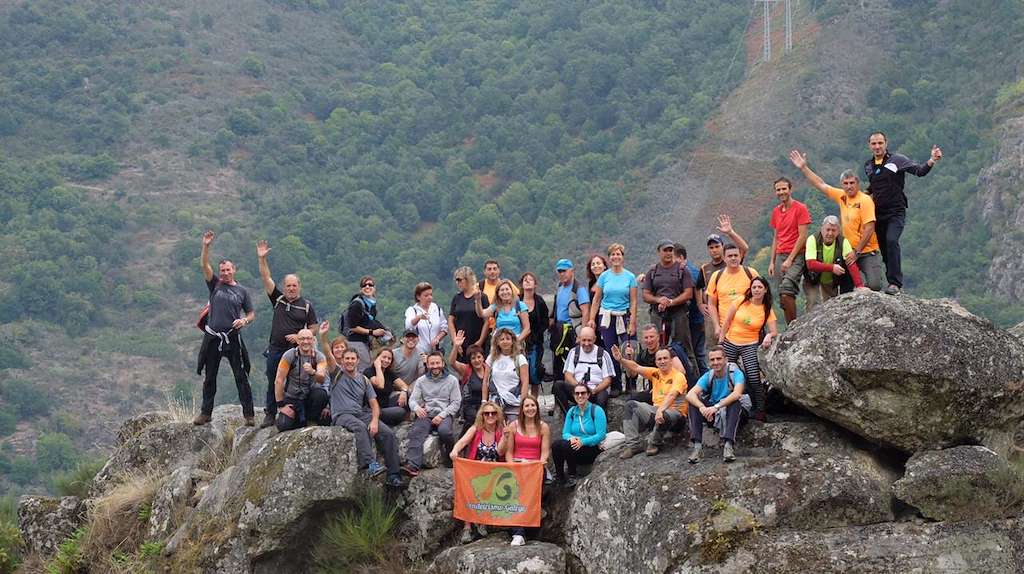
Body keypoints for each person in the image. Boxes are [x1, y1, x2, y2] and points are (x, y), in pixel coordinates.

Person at [788, 150, 883, 291]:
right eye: (846, 183)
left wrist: (857, 252)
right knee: (846, 289)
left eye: (852, 183)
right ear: (842, 184)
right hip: (847, 250)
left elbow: (870, 228)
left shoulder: (865, 200)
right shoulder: (842, 196)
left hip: (867, 251)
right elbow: (821, 185)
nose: (849, 186)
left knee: (875, 285)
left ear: (857, 183)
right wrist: (804, 168)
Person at [862, 132, 942, 294]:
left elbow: (919, 171)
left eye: (880, 143)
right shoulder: (868, 166)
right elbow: (874, 187)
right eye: (874, 144)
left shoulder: (896, 160)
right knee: (884, 248)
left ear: (886, 143)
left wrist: (932, 160)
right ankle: (889, 281)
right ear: (869, 145)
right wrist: (860, 197)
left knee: (892, 241)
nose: (877, 146)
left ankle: (895, 283)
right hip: (878, 213)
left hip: (895, 212)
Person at [256, 240, 319, 428]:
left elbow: (314, 327)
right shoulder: (278, 299)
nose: (291, 288)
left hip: (296, 352)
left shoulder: (306, 306)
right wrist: (262, 259)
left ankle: (297, 414)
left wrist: (300, 336)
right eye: (288, 285)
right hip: (276, 349)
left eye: (294, 285)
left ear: (299, 286)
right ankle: (270, 413)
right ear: (284, 287)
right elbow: (266, 278)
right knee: (273, 380)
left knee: (297, 382)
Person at [195, 230, 256, 426]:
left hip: (233, 337)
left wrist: (244, 321)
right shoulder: (215, 285)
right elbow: (204, 265)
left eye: (228, 270)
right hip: (213, 338)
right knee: (209, 376)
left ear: (234, 270)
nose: (225, 273)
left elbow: (251, 313)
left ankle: (249, 415)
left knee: (241, 377)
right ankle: (206, 413)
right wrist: (206, 246)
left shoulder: (242, 291)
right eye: (222, 270)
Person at [330, 348, 402, 487]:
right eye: (347, 359)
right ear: (342, 360)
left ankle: (394, 475)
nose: (350, 361)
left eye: (352, 359)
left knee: (388, 434)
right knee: (360, 427)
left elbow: (374, 404)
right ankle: (370, 464)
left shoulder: (364, 379)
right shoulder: (336, 373)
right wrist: (323, 337)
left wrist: (375, 421)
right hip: (342, 414)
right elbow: (328, 355)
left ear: (357, 361)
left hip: (362, 413)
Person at [612, 344, 688, 459]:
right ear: (656, 362)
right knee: (631, 405)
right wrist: (621, 360)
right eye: (659, 359)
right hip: (657, 410)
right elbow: (636, 367)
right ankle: (633, 445)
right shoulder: (655, 373)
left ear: (671, 360)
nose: (662, 361)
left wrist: (661, 410)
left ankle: (654, 443)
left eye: (665, 358)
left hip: (676, 415)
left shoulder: (678, 376)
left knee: (664, 414)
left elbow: (672, 395)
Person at [719, 277, 777, 421]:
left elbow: (774, 331)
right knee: (723, 374)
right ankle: (721, 406)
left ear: (765, 289)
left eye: (759, 287)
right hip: (731, 340)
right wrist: (721, 341)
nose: (756, 290)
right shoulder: (741, 301)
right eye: (754, 287)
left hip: (750, 344)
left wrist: (768, 336)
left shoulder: (767, 308)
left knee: (753, 377)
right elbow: (727, 321)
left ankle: (760, 410)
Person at [450, 400, 505, 544]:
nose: (490, 416)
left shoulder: (501, 432)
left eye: (493, 413)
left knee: (490, 487)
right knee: (468, 488)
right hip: (475, 469)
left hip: (494, 471)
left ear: (498, 415)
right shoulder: (475, 429)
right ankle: (467, 527)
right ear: (482, 416)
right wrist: (455, 451)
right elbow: (462, 442)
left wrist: (506, 436)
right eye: (487, 413)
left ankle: (483, 521)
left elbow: (502, 451)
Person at [498, 395, 550, 546]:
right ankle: (518, 533)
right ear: (522, 409)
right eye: (526, 406)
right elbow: (508, 452)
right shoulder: (513, 426)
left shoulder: (543, 427)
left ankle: (528, 532)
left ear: (537, 408)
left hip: (535, 467)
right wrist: (512, 467)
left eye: (532, 405)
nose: (530, 409)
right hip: (517, 466)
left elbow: (545, 451)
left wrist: (541, 463)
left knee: (531, 501)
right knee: (516, 499)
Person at [588, 244, 638, 396]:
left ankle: (631, 383)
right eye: (613, 255)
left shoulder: (630, 277)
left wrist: (633, 321)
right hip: (607, 316)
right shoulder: (604, 276)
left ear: (622, 257)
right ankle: (616, 384)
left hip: (624, 315)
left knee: (628, 350)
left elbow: (634, 301)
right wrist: (591, 319)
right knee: (611, 351)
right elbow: (596, 300)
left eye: (618, 254)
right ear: (609, 258)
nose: (615, 257)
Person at [641, 240, 696, 377]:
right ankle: (656, 381)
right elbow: (646, 295)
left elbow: (688, 293)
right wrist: (658, 300)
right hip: (658, 314)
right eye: (665, 250)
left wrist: (671, 302)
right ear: (659, 252)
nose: (668, 253)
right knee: (655, 348)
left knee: (684, 348)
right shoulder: (652, 272)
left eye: (671, 250)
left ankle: (693, 382)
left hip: (679, 314)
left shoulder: (682, 270)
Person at [685, 346, 749, 463]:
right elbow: (690, 394)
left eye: (719, 359)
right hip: (714, 412)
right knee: (693, 403)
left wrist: (716, 407)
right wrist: (702, 407)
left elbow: (737, 393)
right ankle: (697, 447)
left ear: (726, 359)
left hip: (735, 412)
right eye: (712, 360)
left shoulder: (735, 373)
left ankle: (728, 445)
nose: (715, 362)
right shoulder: (709, 376)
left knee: (734, 402)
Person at [403, 352, 461, 477]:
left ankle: (451, 457)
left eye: (437, 363)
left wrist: (442, 415)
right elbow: (412, 400)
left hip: (444, 413)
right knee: (417, 431)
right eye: (432, 363)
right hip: (427, 413)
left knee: (445, 431)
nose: (435, 366)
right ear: (427, 365)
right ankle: (413, 465)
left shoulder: (452, 380)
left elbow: (456, 402)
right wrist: (417, 408)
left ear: (443, 363)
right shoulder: (421, 381)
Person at [701, 215, 749, 352]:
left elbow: (744, 248)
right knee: (715, 347)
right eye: (711, 247)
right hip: (715, 313)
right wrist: (700, 304)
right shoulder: (706, 269)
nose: (714, 249)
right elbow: (699, 287)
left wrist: (730, 232)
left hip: (739, 313)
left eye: (717, 246)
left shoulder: (733, 261)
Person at [767, 177, 811, 324]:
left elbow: (803, 236)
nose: (781, 192)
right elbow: (776, 237)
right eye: (778, 190)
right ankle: (789, 329)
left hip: (797, 255)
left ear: (790, 189)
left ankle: (794, 327)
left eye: (784, 189)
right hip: (780, 255)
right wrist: (772, 262)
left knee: (786, 289)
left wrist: (790, 259)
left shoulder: (800, 208)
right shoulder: (776, 211)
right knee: (783, 296)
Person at [803, 216, 865, 310]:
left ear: (838, 231)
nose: (830, 233)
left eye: (833, 230)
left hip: (831, 280)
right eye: (827, 230)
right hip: (813, 277)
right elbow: (810, 264)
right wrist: (832, 268)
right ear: (822, 229)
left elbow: (851, 264)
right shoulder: (812, 239)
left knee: (831, 308)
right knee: (812, 302)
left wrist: (859, 286)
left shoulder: (843, 242)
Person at [551, 384, 607, 488]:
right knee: (556, 444)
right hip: (574, 447)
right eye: (577, 393)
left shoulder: (597, 410)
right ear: (573, 395)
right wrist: (571, 438)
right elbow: (565, 433)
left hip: (591, 448)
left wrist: (582, 441)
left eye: (583, 393)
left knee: (566, 446)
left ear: (588, 395)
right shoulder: (572, 412)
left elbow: (601, 435)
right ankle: (560, 476)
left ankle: (572, 475)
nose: (580, 396)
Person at [274, 329, 329, 431]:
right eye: (302, 339)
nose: (306, 342)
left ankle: (311, 421)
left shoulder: (319, 357)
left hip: (310, 398)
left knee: (321, 394)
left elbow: (322, 379)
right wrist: (281, 406)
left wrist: (312, 371)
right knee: (283, 425)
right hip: (292, 398)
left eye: (309, 339)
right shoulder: (289, 355)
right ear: (297, 341)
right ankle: (299, 421)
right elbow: (279, 380)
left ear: (313, 341)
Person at [552, 327, 615, 414]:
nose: (586, 343)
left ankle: (598, 421)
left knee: (602, 397)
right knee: (557, 386)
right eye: (583, 340)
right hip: (578, 389)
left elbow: (607, 380)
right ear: (579, 339)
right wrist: (580, 387)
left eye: (589, 340)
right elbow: (568, 375)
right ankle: (569, 416)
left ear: (594, 339)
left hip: (595, 391)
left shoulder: (603, 354)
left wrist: (594, 390)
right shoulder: (573, 352)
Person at [549, 259, 590, 386]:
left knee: (571, 363)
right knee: (558, 363)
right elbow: (557, 306)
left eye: (564, 271)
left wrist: (582, 334)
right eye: (559, 271)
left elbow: (585, 311)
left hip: (572, 331)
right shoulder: (560, 287)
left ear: (572, 271)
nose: (562, 274)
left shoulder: (579, 289)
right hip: (559, 330)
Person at [622, 324, 689, 401]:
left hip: (669, 391)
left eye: (651, 337)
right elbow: (632, 374)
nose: (649, 340)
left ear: (658, 337)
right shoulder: (643, 355)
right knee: (631, 400)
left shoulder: (667, 351)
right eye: (646, 338)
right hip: (652, 392)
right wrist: (630, 358)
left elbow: (681, 371)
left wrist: (664, 387)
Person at [706, 244, 760, 342]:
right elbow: (711, 304)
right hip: (727, 330)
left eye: (736, 255)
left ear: (740, 256)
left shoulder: (751, 273)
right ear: (724, 258)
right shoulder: (716, 276)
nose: (733, 258)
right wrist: (716, 326)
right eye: (730, 256)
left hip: (750, 328)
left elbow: (762, 297)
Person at [483, 328, 529, 422]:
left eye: (508, 339)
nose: (505, 341)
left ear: (512, 341)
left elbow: (525, 382)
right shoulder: (491, 358)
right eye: (502, 339)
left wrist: (523, 404)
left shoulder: (520, 358)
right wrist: (484, 401)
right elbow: (485, 381)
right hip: (495, 403)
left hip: (514, 402)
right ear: (497, 342)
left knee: (514, 429)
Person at [675, 244, 708, 375]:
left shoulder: (691, 272)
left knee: (697, 354)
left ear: (681, 257)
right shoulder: (691, 270)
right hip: (692, 320)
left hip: (695, 320)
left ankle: (702, 384)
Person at [345, 276, 388, 372]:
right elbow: (352, 327)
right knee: (363, 369)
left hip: (365, 342)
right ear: (361, 289)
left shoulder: (371, 304)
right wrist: (372, 332)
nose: (367, 287)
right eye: (364, 285)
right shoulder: (356, 304)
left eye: (370, 285)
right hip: (356, 342)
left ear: (374, 288)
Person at [448, 332, 489, 430]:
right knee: (475, 418)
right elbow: (452, 362)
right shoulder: (466, 369)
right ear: (470, 360)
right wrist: (456, 346)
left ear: (483, 357)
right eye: (473, 358)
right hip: (470, 405)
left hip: (485, 403)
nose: (477, 360)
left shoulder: (489, 369)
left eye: (479, 357)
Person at [448, 267, 490, 356]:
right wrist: (455, 340)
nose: (457, 283)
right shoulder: (456, 298)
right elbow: (451, 320)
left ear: (468, 279)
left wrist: (480, 342)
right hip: (460, 343)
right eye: (456, 280)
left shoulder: (481, 297)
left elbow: (486, 321)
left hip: (477, 343)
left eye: (460, 280)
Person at [365, 347, 411, 427]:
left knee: (408, 394)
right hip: (374, 409)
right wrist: (378, 367)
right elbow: (380, 385)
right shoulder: (369, 371)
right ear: (377, 358)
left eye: (389, 358)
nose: (386, 360)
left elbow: (405, 386)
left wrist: (404, 392)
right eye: (384, 357)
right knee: (400, 412)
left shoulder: (389, 373)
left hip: (386, 405)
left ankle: (406, 423)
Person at [519, 272, 549, 394]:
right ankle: (522, 401)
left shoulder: (540, 301)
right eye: (525, 280)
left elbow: (545, 321)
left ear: (535, 284)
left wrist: (536, 335)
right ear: (521, 284)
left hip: (536, 342)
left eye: (530, 279)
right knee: (520, 372)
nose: (527, 281)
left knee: (534, 372)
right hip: (519, 341)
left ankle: (534, 401)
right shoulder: (517, 301)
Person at [405, 282, 448, 354]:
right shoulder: (412, 310)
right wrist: (419, 317)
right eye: (426, 295)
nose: (430, 298)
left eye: (431, 295)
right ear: (418, 297)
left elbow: (444, 327)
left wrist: (438, 338)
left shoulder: (437, 308)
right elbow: (408, 326)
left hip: (435, 351)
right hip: (419, 351)